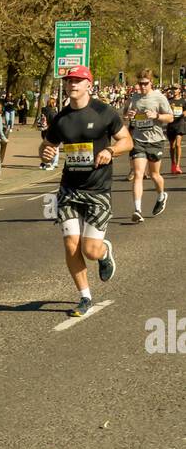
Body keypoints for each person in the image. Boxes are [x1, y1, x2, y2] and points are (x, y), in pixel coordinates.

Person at [39, 65, 132, 318]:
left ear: (89, 84)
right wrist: (45, 152)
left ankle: (103, 252)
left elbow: (127, 141)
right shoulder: (61, 118)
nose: (72, 84)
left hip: (98, 188)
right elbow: (47, 144)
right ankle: (84, 297)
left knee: (89, 250)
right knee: (71, 245)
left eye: (78, 80)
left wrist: (110, 151)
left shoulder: (105, 112)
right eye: (69, 80)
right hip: (69, 189)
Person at [124, 70, 173, 221]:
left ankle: (161, 195)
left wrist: (156, 116)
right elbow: (126, 115)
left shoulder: (159, 97)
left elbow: (170, 117)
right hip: (138, 140)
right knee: (138, 173)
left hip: (155, 140)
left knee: (154, 175)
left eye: (145, 83)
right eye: (140, 83)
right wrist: (129, 115)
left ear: (151, 82)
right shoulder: (134, 98)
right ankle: (137, 209)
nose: (142, 86)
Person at [167, 85, 184, 175]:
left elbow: (185, 111)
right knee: (172, 146)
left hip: (180, 124)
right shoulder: (169, 101)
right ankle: (173, 164)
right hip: (171, 125)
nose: (174, 90)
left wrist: (182, 115)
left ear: (179, 90)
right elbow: (165, 111)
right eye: (173, 89)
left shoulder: (183, 101)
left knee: (178, 144)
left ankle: (178, 165)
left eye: (176, 89)